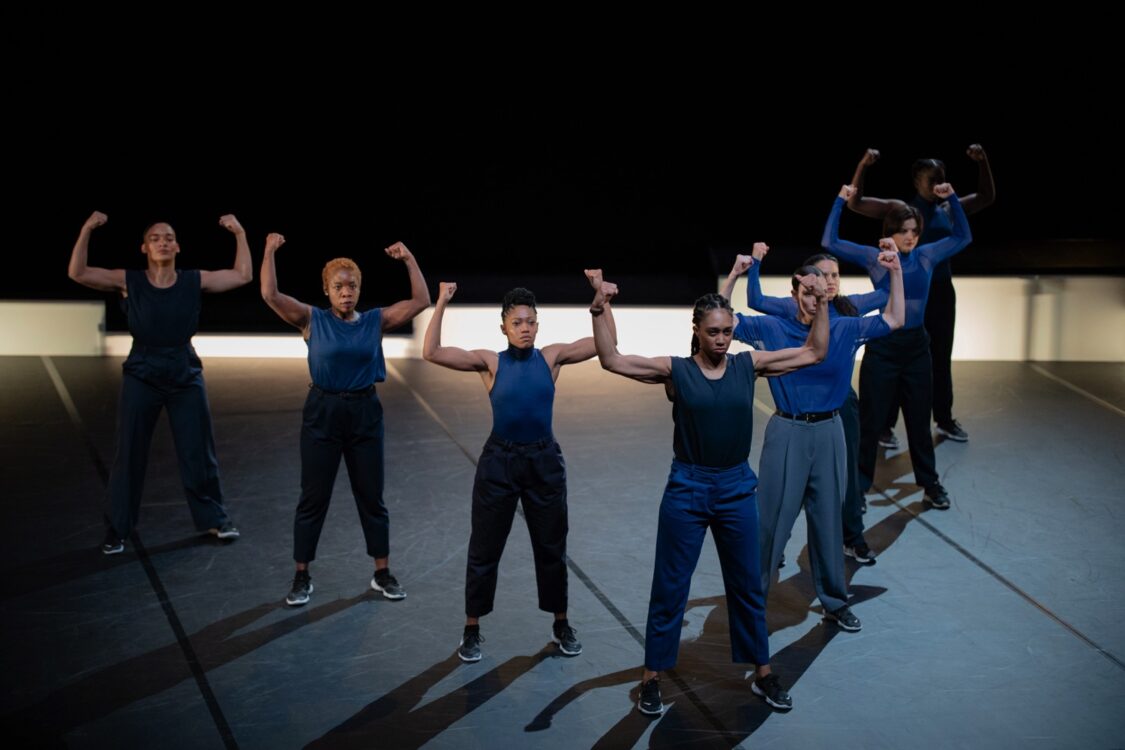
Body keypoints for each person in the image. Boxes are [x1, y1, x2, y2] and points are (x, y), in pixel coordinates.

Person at [589, 274, 829, 715]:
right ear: (697, 330)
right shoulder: (675, 370)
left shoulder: (747, 365)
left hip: (737, 488)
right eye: (713, 332)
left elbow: (815, 351)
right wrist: (600, 306)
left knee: (747, 586)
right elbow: (611, 360)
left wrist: (823, 301)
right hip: (688, 486)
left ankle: (762, 671)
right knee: (670, 586)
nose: (722, 339)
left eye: (728, 331)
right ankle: (652, 677)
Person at [422, 272, 613, 662]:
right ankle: (472, 628)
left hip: (543, 461)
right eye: (517, 323)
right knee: (485, 548)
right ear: (504, 327)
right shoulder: (490, 362)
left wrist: (601, 296)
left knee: (551, 547)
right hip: (500, 464)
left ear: (537, 324)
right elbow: (432, 352)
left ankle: (561, 623)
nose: (524, 329)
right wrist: (441, 301)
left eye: (530, 322)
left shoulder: (551, 357)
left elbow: (607, 344)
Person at [723, 249, 903, 631]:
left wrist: (898, 272)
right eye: (806, 291)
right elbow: (720, 320)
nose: (813, 297)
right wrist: (736, 275)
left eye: (820, 290)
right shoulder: (772, 329)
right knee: (771, 523)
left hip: (831, 431)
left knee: (827, 522)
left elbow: (894, 317)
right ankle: (753, 602)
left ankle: (835, 600)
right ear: (794, 295)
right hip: (788, 431)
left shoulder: (845, 328)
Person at [260, 232, 430, 606]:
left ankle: (381, 572)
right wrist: (270, 251)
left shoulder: (374, 321)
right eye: (338, 286)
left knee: (371, 496)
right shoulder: (312, 320)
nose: (346, 291)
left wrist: (408, 258)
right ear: (326, 290)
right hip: (322, 413)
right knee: (313, 497)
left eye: (352, 285)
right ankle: (302, 575)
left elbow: (421, 300)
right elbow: (270, 296)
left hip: (365, 413)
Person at [68, 211, 251, 554]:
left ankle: (215, 518)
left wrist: (240, 234)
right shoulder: (129, 280)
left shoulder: (193, 280)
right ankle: (118, 528)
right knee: (130, 453)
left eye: (169, 237)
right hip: (143, 370)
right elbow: (77, 272)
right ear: (144, 248)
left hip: (184, 369)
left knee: (198, 449)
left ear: (178, 247)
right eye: (155, 238)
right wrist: (86, 229)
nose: (163, 242)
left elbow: (242, 275)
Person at [823, 184, 972, 510]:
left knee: (919, 422)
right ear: (890, 231)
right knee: (871, 423)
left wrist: (951, 200)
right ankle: (859, 489)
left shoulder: (927, 255)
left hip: (917, 348)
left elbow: (963, 237)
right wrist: (839, 201)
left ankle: (930, 485)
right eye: (903, 231)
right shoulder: (876, 259)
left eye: (915, 231)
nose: (910, 236)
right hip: (884, 347)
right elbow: (829, 243)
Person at [847, 146, 996, 445]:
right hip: (903, 293)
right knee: (896, 356)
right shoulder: (901, 210)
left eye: (941, 177)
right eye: (931, 179)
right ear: (917, 181)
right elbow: (856, 202)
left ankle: (944, 418)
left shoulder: (949, 208)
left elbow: (986, 197)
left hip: (940, 292)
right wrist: (863, 165)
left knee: (940, 356)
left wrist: (983, 163)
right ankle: (885, 426)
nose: (937, 183)